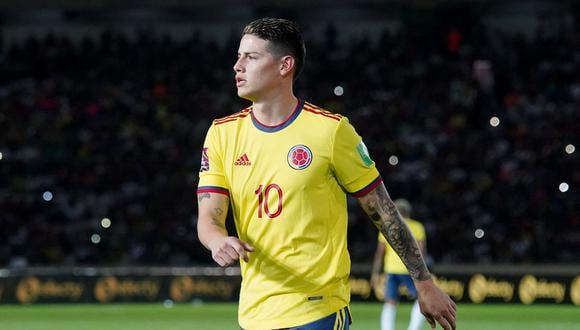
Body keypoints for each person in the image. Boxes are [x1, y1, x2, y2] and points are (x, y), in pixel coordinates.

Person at [196, 17, 456, 330]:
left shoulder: (331, 132)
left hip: (317, 310)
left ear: (284, 66)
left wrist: (424, 282)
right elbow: (209, 216)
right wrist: (217, 241)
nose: (237, 66)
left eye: (251, 57)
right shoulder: (221, 134)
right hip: (254, 313)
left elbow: (383, 210)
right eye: (238, 56)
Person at [371, 199, 427, 330]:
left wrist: (374, 274)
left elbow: (379, 254)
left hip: (391, 269)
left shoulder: (386, 226)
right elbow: (421, 252)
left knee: (390, 302)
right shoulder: (417, 227)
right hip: (410, 269)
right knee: (421, 299)